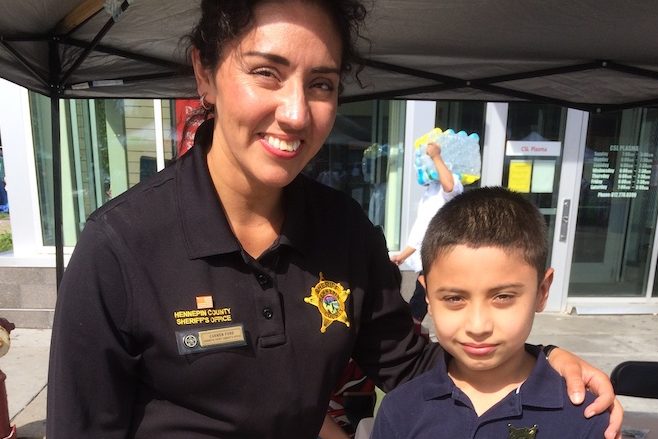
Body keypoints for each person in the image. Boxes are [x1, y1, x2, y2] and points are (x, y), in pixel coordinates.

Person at [47, 1, 622, 438]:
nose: (297, 113)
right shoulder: (120, 246)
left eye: (321, 83)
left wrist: (542, 365)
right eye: (266, 72)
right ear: (205, 72)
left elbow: (416, 367)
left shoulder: (344, 231)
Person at [372, 187, 610, 438]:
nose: (478, 326)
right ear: (428, 296)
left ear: (542, 292)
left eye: (503, 297)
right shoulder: (400, 410)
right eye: (454, 298)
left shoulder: (585, 418)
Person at [391, 141, 463, 323]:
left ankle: (412, 328)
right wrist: (403, 255)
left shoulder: (451, 184)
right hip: (429, 255)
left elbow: (449, 186)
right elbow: (421, 229)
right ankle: (413, 328)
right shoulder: (430, 190)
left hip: (442, 253)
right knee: (423, 297)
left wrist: (436, 156)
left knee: (425, 296)